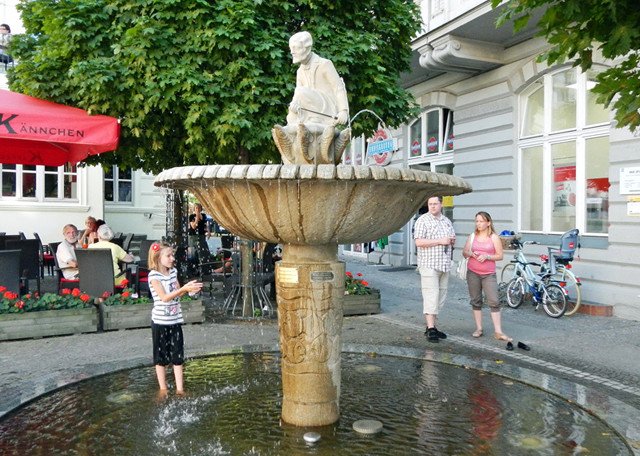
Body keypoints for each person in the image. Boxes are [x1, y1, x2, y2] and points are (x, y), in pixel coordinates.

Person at [148, 241, 203, 395]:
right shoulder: (154, 276)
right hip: (160, 322)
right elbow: (164, 297)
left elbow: (177, 291)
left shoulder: (173, 272)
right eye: (169, 255)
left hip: (175, 321)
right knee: (161, 358)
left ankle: (180, 389)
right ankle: (163, 389)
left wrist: (189, 291)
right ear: (158, 257)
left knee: (177, 355)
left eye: (172, 255)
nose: (172, 258)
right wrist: (184, 288)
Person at [462, 211, 512, 343]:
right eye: (477, 221)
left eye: (481, 221)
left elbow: (500, 255)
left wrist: (487, 256)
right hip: (473, 272)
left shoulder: (494, 237)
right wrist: (472, 254)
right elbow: (464, 252)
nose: (478, 224)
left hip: (488, 274)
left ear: (488, 223)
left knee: (494, 301)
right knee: (476, 300)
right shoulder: (472, 236)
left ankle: (498, 331)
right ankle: (479, 328)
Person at [413, 196, 456, 343]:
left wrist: (451, 241)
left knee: (440, 296)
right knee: (431, 294)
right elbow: (418, 242)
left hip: (444, 264)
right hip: (429, 264)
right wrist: (440, 241)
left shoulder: (446, 221)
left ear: (441, 204)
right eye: (430, 204)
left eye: (435, 204)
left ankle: (433, 326)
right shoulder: (422, 220)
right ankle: (430, 328)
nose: (432, 206)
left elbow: (451, 238)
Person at [286, 31, 349, 127]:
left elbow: (338, 88)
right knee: (291, 116)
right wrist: (294, 105)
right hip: (308, 110)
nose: (292, 52)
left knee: (300, 91)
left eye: (296, 48)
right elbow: (297, 97)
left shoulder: (324, 64)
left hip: (327, 109)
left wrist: (343, 111)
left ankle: (315, 119)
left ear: (307, 48)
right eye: (291, 48)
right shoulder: (300, 71)